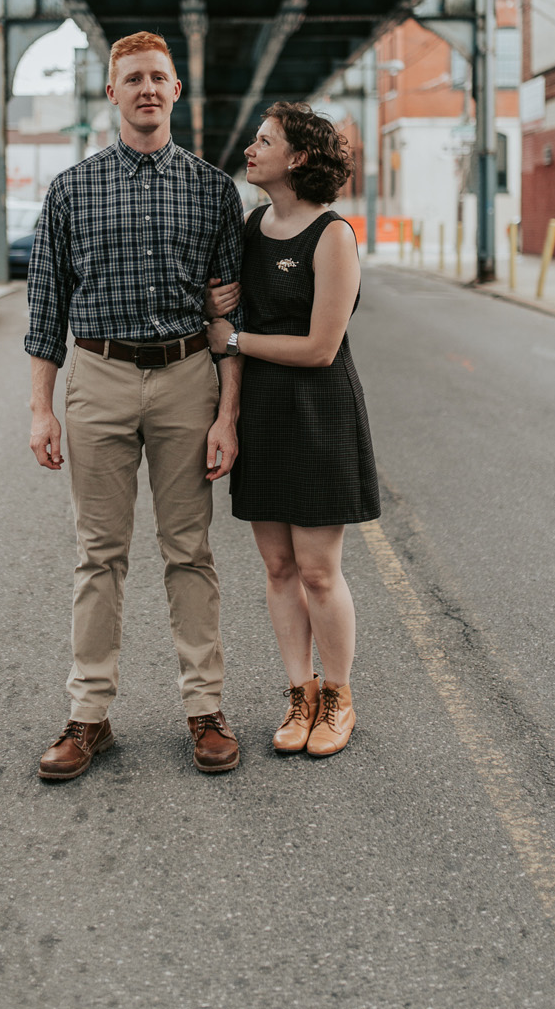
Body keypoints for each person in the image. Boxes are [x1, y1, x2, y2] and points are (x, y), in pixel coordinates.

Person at [26, 31, 245, 781]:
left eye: (158, 77)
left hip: (188, 377)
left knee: (190, 551)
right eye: (132, 79)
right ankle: (88, 716)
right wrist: (40, 409)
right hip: (98, 376)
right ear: (112, 94)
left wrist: (227, 414)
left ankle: (205, 709)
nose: (146, 89)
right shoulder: (70, 190)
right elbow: (45, 306)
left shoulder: (215, 192)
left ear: (175, 91)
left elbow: (227, 321)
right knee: (99, 554)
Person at [206, 101, 380, 757]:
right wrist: (217, 314)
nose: (250, 151)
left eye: (264, 141)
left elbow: (318, 348)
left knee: (316, 570)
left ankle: (338, 696)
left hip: (318, 414)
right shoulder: (252, 228)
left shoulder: (333, 235)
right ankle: (297, 694)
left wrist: (238, 338)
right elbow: (227, 324)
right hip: (263, 414)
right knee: (277, 567)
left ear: (298, 157)